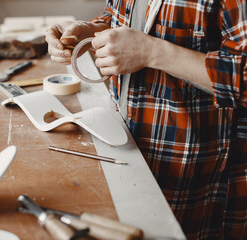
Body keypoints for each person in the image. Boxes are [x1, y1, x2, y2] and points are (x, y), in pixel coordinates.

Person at [45, 0, 247, 239]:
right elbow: (128, 17)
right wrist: (91, 31)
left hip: (191, 183)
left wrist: (152, 52)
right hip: (127, 149)